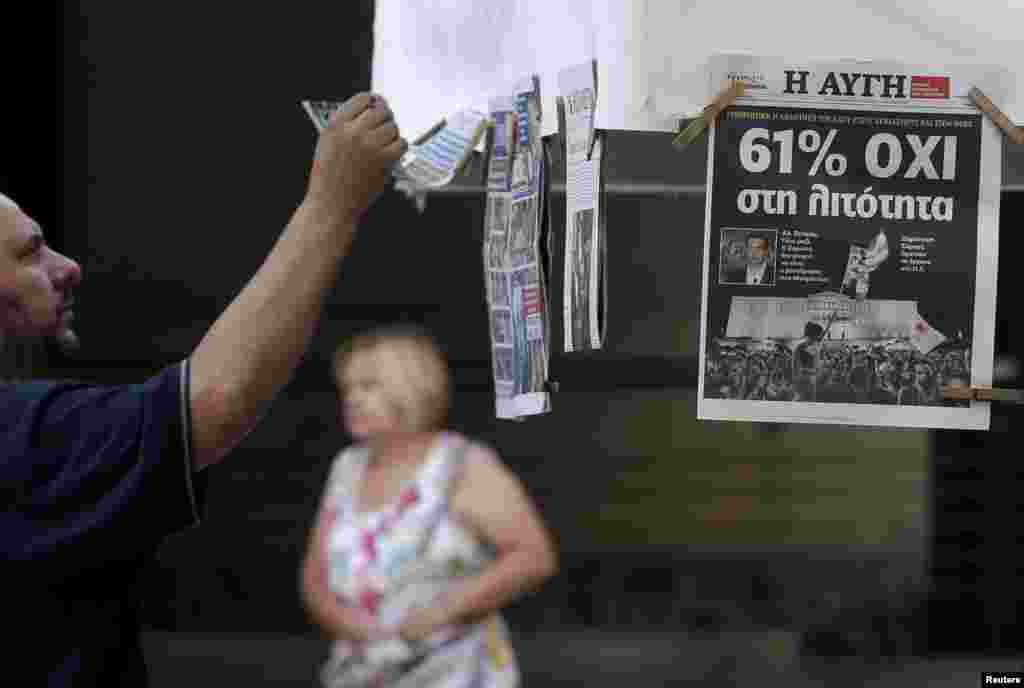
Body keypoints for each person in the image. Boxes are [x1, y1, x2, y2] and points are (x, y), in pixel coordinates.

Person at [1, 92, 407, 687]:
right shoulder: (15, 433)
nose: (68, 267)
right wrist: (332, 203)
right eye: (29, 253)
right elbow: (211, 402)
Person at [302, 326, 558, 687]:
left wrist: (444, 610)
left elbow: (534, 558)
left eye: (369, 386)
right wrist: (347, 622)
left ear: (413, 388)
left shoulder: (462, 465)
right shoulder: (347, 467)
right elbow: (314, 577)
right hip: (360, 673)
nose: (352, 399)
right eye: (348, 389)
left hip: (454, 674)